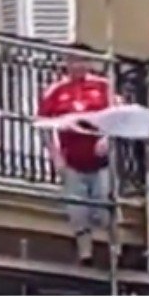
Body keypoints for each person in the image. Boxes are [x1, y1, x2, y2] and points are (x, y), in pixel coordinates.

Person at [38, 55, 115, 266]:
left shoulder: (104, 86)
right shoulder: (55, 91)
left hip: (100, 160)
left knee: (103, 205)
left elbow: (117, 116)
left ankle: (113, 247)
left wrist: (107, 139)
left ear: (89, 63)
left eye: (82, 61)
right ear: (67, 64)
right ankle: (85, 253)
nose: (78, 65)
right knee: (77, 209)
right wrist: (55, 155)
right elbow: (43, 125)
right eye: (73, 61)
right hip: (71, 159)